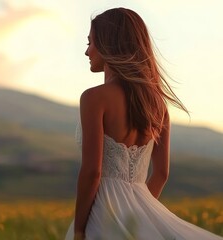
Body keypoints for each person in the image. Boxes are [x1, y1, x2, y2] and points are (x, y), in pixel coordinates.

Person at [65, 7, 223, 240]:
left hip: (102, 213)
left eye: (90, 42)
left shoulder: (93, 98)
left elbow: (92, 171)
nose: (87, 51)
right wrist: (139, 217)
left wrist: (79, 229)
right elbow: (161, 173)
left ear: (109, 44)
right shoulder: (158, 106)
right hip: (142, 209)